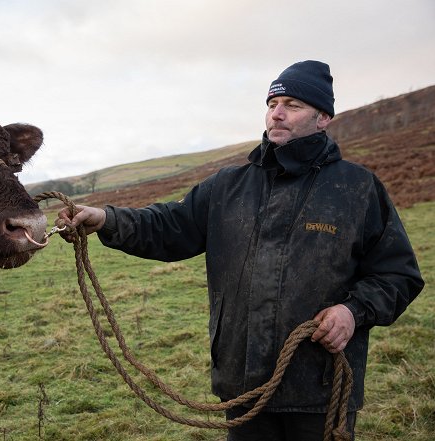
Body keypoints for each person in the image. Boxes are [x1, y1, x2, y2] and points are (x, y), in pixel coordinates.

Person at [57, 60, 424, 440]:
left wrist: (353, 311)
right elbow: (169, 226)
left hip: (321, 387)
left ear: (323, 117)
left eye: (293, 105)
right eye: (272, 104)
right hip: (243, 386)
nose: (277, 114)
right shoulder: (227, 186)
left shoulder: (357, 189)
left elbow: (398, 275)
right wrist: (105, 218)